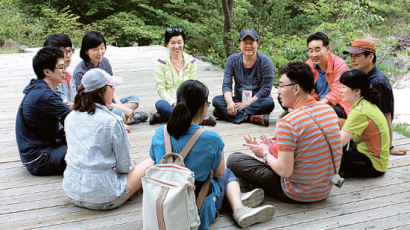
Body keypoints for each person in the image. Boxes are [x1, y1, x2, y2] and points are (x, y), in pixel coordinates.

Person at [150, 80, 274, 229]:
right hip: (197, 210)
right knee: (227, 175)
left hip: (164, 206)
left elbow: (154, 160)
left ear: (176, 105)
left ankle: (235, 198)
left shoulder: (160, 133)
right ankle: (238, 207)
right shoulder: (211, 139)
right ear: (203, 108)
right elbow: (220, 172)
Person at [227, 62, 343, 203]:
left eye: (282, 86)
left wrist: (264, 153)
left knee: (234, 160)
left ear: (296, 89)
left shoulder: (289, 122)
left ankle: (242, 187)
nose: (278, 91)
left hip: (297, 193)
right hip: (324, 190)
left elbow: (284, 171)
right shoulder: (329, 111)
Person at [63, 69, 153, 210]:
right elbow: (124, 167)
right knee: (151, 161)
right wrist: (130, 164)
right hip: (106, 196)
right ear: (101, 92)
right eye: (111, 87)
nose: (113, 91)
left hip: (73, 192)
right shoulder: (113, 121)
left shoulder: (70, 117)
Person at [343, 39, 407, 156]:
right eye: (351, 56)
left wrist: (389, 147)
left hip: (371, 139)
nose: (352, 59)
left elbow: (385, 116)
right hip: (360, 129)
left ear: (370, 57)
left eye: (357, 56)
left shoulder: (378, 83)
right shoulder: (361, 77)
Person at [15, 47, 71, 176]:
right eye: (61, 67)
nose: (64, 71)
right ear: (47, 71)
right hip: (39, 158)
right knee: (89, 151)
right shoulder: (44, 95)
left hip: (41, 151)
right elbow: (73, 119)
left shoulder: (39, 89)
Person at [73, 31, 147, 125]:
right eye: (95, 49)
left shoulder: (104, 62)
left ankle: (123, 116)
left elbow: (111, 85)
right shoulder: (81, 71)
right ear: (86, 50)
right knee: (117, 111)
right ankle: (127, 118)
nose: (100, 52)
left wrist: (119, 104)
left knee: (134, 99)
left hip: (109, 101)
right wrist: (121, 108)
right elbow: (91, 101)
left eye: (102, 48)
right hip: (95, 106)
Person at [149, 26, 215, 126]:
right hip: (170, 102)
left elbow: (193, 85)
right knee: (160, 104)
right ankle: (195, 120)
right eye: (173, 43)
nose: (177, 46)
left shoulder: (191, 61)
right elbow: (161, 89)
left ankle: (166, 117)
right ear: (167, 44)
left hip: (188, 100)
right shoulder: (161, 62)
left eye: (179, 42)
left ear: (184, 43)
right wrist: (173, 103)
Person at [212, 28, 275, 126]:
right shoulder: (232, 60)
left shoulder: (266, 62)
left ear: (257, 43)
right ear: (239, 44)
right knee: (216, 100)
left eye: (251, 43)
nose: (248, 46)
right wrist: (229, 103)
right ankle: (250, 117)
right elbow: (226, 84)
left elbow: (266, 89)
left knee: (269, 103)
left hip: (256, 100)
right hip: (239, 99)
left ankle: (228, 114)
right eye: (245, 43)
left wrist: (246, 104)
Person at [338, 70, 390, 178]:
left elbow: (339, 142)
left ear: (357, 91)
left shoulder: (359, 112)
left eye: (343, 87)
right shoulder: (364, 104)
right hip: (376, 159)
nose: (340, 91)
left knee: (331, 156)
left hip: (372, 165)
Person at [306, 32, 351, 118]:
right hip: (315, 104)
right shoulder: (308, 65)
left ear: (328, 49)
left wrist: (320, 105)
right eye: (311, 51)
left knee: (325, 110)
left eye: (317, 50)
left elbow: (339, 90)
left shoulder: (339, 64)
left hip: (337, 105)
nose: (314, 54)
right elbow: (306, 89)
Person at [44, 33, 76, 109]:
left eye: (70, 51)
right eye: (63, 52)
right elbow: (63, 105)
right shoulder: (49, 77)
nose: (68, 55)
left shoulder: (68, 75)